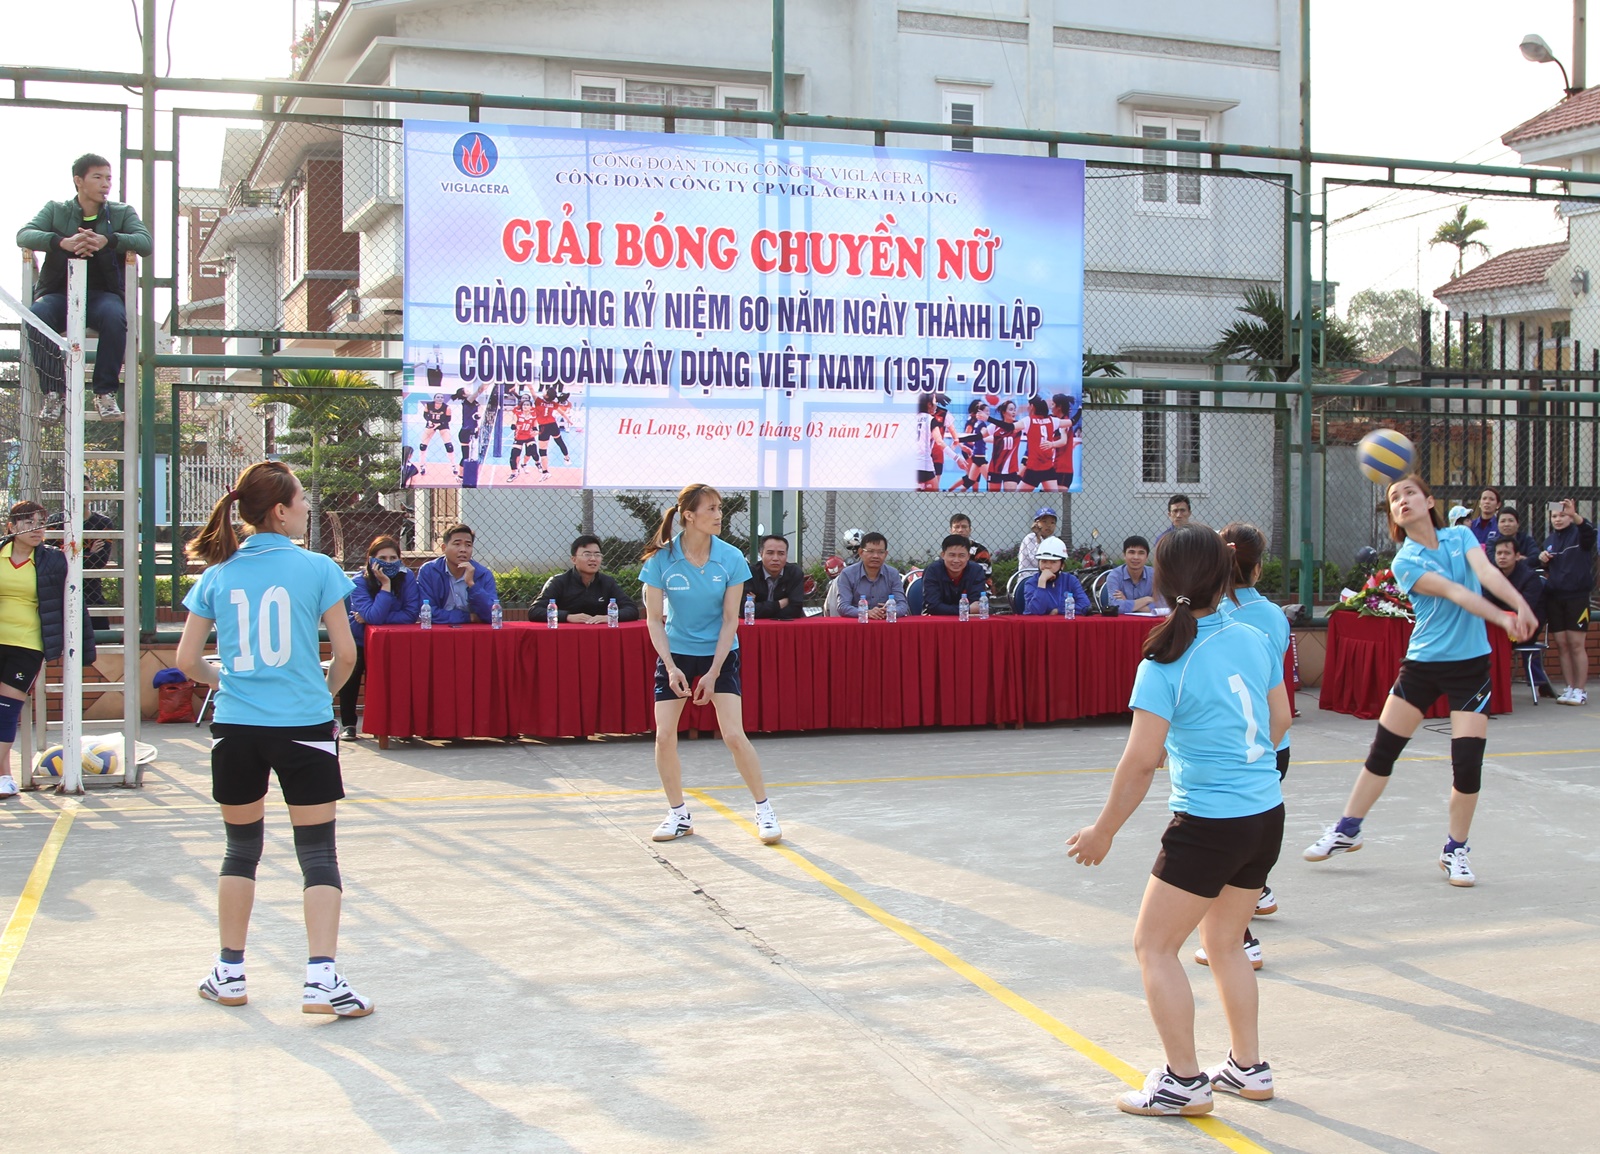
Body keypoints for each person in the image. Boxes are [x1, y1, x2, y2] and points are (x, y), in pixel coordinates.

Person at [1067, 526, 1292, 1117]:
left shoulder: (1165, 660)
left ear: (1162, 582)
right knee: (1225, 943)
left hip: (1209, 823)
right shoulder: (1254, 637)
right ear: (1225, 577)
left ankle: (1184, 1083)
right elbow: (1281, 721)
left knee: (1154, 947)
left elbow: (1141, 763)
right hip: (1265, 813)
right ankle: (1248, 1068)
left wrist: (1103, 831)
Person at [175, 461, 370, 1017]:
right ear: (281, 511)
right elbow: (346, 655)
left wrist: (228, 683)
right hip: (303, 726)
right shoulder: (319, 568)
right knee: (318, 853)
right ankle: (321, 980)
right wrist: (320, 696)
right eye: (302, 498)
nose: (307, 506)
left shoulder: (218, 573)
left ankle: (229, 973)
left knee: (240, 850)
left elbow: (188, 660)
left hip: (237, 728)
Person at [1304, 474, 1538, 886]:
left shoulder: (1461, 537)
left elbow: (1486, 574)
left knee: (1467, 764)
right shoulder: (1405, 561)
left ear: (1429, 501)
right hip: (1423, 664)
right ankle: (1347, 829)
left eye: (1410, 492)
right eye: (1395, 498)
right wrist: (1503, 619)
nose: (1403, 499)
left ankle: (1455, 850)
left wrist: (1520, 604)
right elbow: (1455, 592)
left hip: (1470, 666)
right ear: (1395, 516)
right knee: (1383, 751)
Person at [639, 483, 781, 845]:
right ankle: (678, 815)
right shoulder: (661, 559)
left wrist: (714, 672)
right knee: (664, 736)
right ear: (689, 515)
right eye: (712, 509)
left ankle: (764, 810)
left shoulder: (730, 558)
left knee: (733, 735)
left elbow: (731, 619)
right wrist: (671, 666)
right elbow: (654, 619)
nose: (719, 515)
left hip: (720, 652)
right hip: (677, 653)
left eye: (720, 508)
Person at [1194, 523, 1291, 974]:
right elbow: (1278, 696)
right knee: (1254, 828)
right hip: (1272, 744)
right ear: (1257, 569)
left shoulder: (1210, 616)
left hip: (1225, 750)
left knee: (1217, 844)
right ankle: (1259, 889)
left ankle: (1241, 940)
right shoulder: (1272, 616)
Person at [17, 153, 153, 422]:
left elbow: (145, 242)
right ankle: (55, 393)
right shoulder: (56, 210)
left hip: (103, 296)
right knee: (36, 316)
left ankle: (104, 393)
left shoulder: (122, 213)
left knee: (115, 317)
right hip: (59, 294)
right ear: (78, 180)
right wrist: (62, 242)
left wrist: (108, 240)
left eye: (109, 178)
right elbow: (24, 235)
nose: (106, 184)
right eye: (98, 177)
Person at [0, 502, 96, 799]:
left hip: (28, 645)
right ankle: (5, 777)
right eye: (28, 523)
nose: (36, 529)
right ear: (11, 527)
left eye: (41, 523)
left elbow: (76, 599)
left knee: (6, 710)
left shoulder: (53, 560)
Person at [342, 535, 421, 740]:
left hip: (392, 641)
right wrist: (385, 586)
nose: (388, 562)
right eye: (382, 558)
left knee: (394, 678)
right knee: (352, 674)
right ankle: (349, 724)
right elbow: (374, 616)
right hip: (360, 639)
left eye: (393, 558)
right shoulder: (358, 582)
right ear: (371, 559)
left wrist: (373, 617)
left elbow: (410, 614)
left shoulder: (407, 578)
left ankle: (395, 725)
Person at [1539, 497, 1596, 705]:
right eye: (1554, 516)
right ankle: (1570, 687)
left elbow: (1590, 533)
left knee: (1576, 644)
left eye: (1562, 515)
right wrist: (1543, 559)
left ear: (1570, 517)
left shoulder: (1580, 534)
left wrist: (1576, 516)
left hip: (1577, 598)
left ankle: (1580, 690)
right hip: (1555, 598)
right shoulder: (1549, 541)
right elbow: (1547, 568)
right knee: (1562, 645)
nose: (1558, 519)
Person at [1487, 536, 1554, 698]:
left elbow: (1524, 607)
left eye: (1507, 553)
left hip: (1525, 627)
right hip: (1499, 625)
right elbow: (1486, 601)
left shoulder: (1530, 577)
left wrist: (1499, 612)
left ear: (1517, 556)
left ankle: (1497, 690)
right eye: (1499, 553)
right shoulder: (1492, 575)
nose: (1502, 557)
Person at [539, 535, 640, 623]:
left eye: (597, 554)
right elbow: (536, 610)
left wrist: (609, 617)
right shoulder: (558, 582)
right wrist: (567, 617)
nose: (593, 559)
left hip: (600, 633)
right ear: (574, 559)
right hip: (566, 634)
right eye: (587, 554)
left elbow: (631, 609)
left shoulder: (607, 582)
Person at [415, 525, 498, 624]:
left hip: (473, 630)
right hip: (441, 629)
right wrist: (469, 617)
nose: (463, 550)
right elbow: (427, 612)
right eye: (457, 544)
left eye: (468, 545)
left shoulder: (483, 574)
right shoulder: (429, 571)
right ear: (444, 548)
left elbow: (493, 615)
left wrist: (472, 585)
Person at [837, 532, 908, 619]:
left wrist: (890, 611)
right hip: (859, 623)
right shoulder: (847, 574)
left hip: (885, 622)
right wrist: (866, 612)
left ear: (886, 554)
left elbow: (902, 605)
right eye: (870, 551)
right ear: (861, 552)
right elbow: (843, 607)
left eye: (880, 552)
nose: (875, 556)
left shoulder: (893, 574)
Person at [921, 534, 989, 615]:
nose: (956, 560)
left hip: (967, 619)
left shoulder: (976, 571)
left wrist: (967, 609)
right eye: (952, 555)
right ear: (943, 555)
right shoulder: (933, 571)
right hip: (936, 619)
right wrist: (967, 609)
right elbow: (933, 606)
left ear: (968, 556)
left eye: (961, 556)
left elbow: (976, 604)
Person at [1021, 536, 1090, 616]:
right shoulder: (1031, 583)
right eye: (1043, 561)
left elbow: (1085, 606)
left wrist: (1059, 610)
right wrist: (1042, 582)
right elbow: (1036, 612)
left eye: (1053, 562)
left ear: (1062, 565)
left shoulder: (1071, 580)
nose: (1047, 566)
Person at [743, 534, 807, 620]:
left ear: (786, 555)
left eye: (781, 554)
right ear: (761, 554)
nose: (775, 558)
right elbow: (744, 610)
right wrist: (780, 604)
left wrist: (759, 608)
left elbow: (795, 609)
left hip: (786, 625)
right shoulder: (750, 574)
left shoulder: (795, 573)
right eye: (770, 553)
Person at [1106, 536, 1166, 614]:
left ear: (1147, 557)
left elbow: (1163, 604)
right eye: (1132, 552)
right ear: (1124, 555)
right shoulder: (1114, 576)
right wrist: (1146, 600)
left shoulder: (1155, 575)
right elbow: (1114, 606)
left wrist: (1127, 602)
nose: (1136, 557)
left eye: (1141, 553)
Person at [950, 400, 991, 491]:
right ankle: (950, 490)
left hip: (974, 451)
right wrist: (977, 443)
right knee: (971, 478)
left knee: (973, 477)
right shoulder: (972, 421)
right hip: (969, 451)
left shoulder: (977, 421)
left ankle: (972, 493)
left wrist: (981, 444)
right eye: (980, 407)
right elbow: (969, 438)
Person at [988, 400, 1023, 491]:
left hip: (1011, 470)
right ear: (1004, 412)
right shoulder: (994, 427)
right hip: (995, 469)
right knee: (993, 498)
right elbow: (981, 436)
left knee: (1010, 498)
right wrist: (959, 440)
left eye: (1014, 409)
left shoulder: (1019, 426)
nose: (1014, 412)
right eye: (1011, 409)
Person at [1016, 506, 1058, 578]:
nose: (1048, 525)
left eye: (1052, 522)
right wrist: (1038, 537)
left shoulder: (1053, 540)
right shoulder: (1030, 538)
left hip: (1048, 576)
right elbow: (1036, 562)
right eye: (1044, 521)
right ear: (1036, 523)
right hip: (1029, 576)